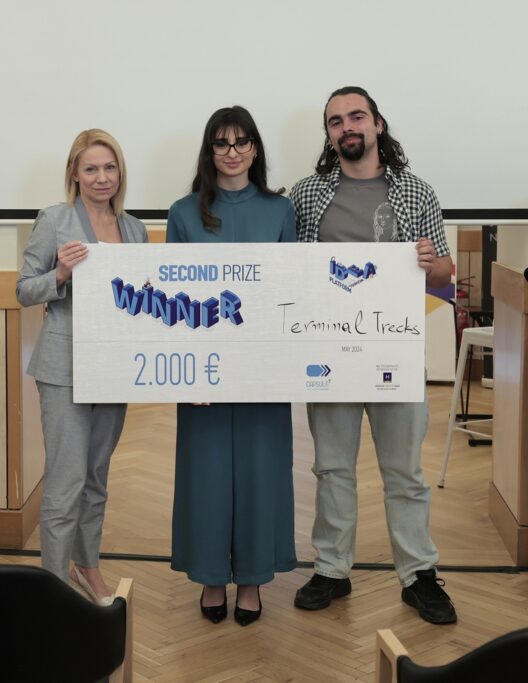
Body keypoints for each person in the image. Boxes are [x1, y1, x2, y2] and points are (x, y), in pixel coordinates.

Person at [290, 86, 456, 624]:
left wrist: (430, 262)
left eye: (356, 116)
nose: (347, 127)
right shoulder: (307, 194)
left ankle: (418, 574)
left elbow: (445, 274)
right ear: (329, 134)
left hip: (395, 352)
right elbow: (290, 269)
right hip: (328, 353)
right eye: (336, 121)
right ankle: (332, 569)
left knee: (404, 472)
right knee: (332, 467)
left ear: (378, 124)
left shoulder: (416, 190)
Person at [166, 106, 298, 626]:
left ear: (255, 148)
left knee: (263, 471)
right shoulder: (182, 213)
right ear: (209, 151)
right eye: (222, 143)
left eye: (242, 142)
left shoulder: (280, 209)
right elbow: (172, 299)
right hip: (203, 372)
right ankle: (210, 577)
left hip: (264, 367)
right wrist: (189, 373)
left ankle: (252, 581)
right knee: (207, 474)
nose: (233, 152)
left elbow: (291, 291)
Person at [16, 128, 148, 603]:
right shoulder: (55, 219)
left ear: (120, 173)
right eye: (90, 168)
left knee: (96, 479)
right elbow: (24, 290)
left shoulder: (134, 229)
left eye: (110, 168)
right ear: (74, 172)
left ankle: (86, 567)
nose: (101, 177)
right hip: (64, 369)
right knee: (65, 481)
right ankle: (52, 589)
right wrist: (61, 273)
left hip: (113, 367)